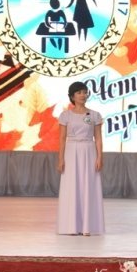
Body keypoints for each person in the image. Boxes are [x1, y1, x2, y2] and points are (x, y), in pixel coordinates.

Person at [56, 81, 104, 235]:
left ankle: (87, 227)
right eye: (79, 93)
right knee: (72, 187)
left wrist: (99, 157)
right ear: (72, 96)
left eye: (84, 92)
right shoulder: (65, 115)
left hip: (89, 151)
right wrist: (61, 159)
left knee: (88, 186)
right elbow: (62, 138)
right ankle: (71, 226)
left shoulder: (94, 115)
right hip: (71, 152)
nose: (83, 95)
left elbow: (98, 138)